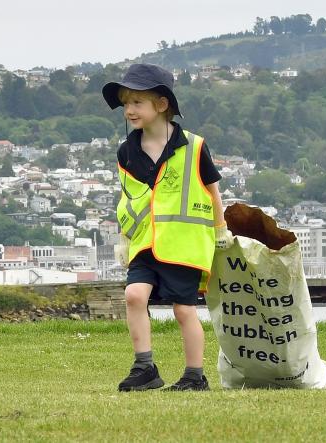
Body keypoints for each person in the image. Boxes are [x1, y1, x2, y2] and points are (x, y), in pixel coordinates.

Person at [102, 64, 230, 391]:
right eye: (125, 103)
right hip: (145, 242)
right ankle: (144, 367)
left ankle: (194, 375)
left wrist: (220, 231)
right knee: (134, 295)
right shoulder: (126, 151)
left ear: (161, 105)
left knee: (184, 310)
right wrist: (123, 239)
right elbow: (128, 200)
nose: (128, 110)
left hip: (184, 246)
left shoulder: (195, 147)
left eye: (136, 102)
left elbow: (213, 193)